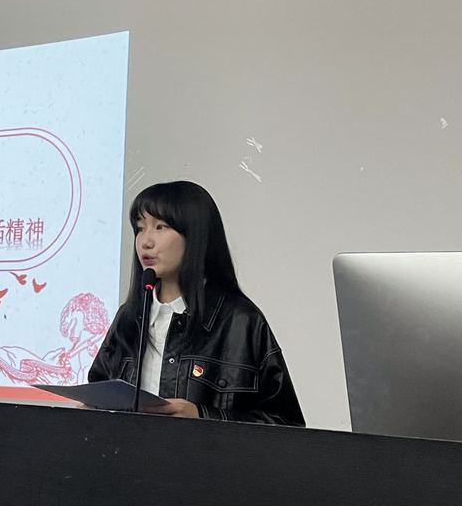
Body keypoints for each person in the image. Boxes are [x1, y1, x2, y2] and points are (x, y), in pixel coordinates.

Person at [88, 181, 304, 426]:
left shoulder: (240, 321)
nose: (145, 242)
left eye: (160, 227)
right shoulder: (129, 317)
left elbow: (286, 425)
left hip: (205, 453)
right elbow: (97, 392)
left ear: (195, 235)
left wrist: (202, 416)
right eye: (140, 228)